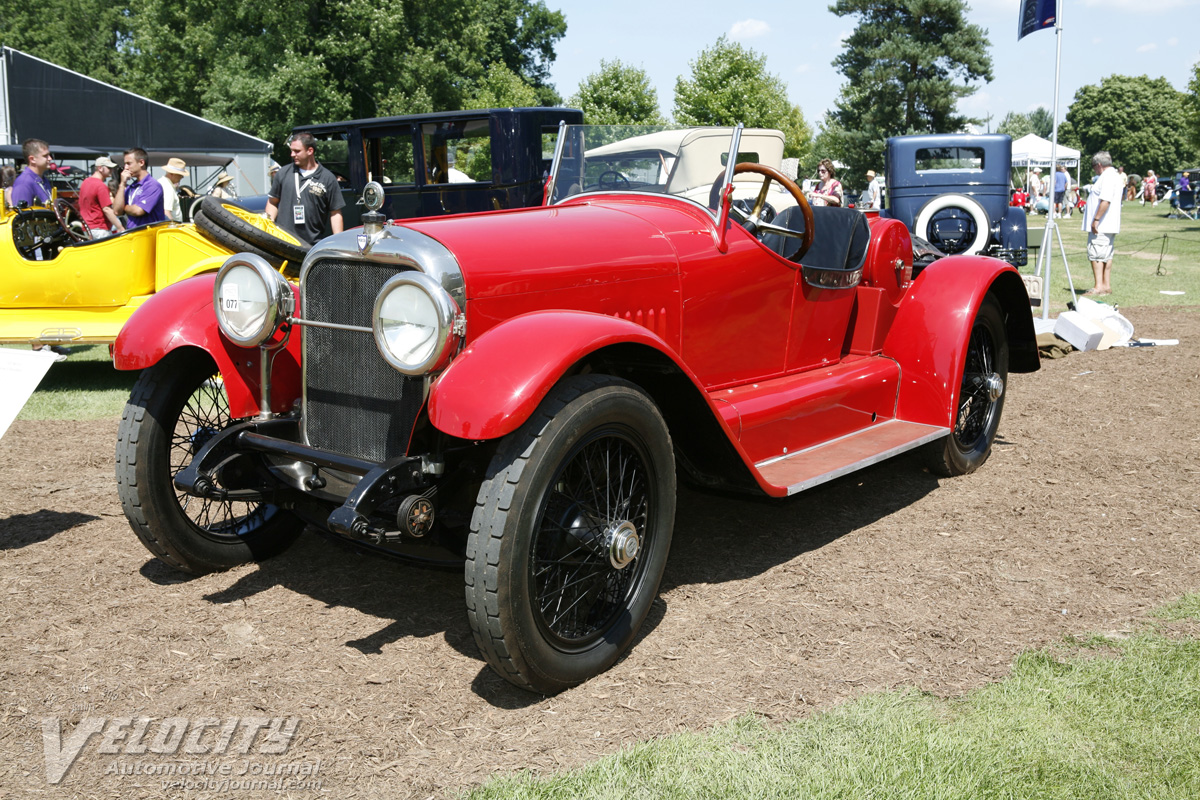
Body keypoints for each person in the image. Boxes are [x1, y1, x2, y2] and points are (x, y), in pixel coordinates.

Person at [266, 133, 345, 245]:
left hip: (311, 245)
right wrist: (269, 228)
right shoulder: (283, 173)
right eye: (291, 150)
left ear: (310, 151)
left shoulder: (327, 178)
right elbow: (272, 202)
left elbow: (335, 213)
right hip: (283, 241)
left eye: (297, 151)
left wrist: (338, 242)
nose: (292, 154)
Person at [1081, 150, 1123, 296]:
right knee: (1106, 255)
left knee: (1097, 254)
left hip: (1102, 224)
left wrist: (1096, 219)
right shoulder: (1115, 176)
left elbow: (1105, 200)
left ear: (1099, 165)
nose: (1095, 171)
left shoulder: (1107, 177)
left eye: (1094, 167)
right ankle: (1106, 285)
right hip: (1110, 224)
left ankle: (1098, 286)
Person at [113, 147, 166, 229]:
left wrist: (123, 207)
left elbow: (138, 211)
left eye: (129, 163)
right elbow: (116, 211)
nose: (125, 167)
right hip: (133, 236)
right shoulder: (131, 187)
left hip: (148, 237)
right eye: (125, 164)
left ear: (141, 162)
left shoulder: (153, 185)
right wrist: (122, 184)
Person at [78, 156, 124, 238]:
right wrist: (120, 227)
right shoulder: (101, 186)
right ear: (100, 168)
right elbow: (106, 209)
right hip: (100, 229)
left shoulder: (85, 182)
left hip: (87, 228)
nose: (112, 170)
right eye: (109, 168)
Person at [10, 138, 54, 207]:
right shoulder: (24, 183)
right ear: (32, 159)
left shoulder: (43, 180)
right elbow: (22, 215)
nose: (50, 158)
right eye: (45, 156)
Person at [159, 157, 187, 223]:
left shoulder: (161, 182)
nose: (182, 177)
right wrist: (173, 227)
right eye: (180, 175)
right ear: (172, 174)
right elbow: (166, 212)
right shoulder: (168, 188)